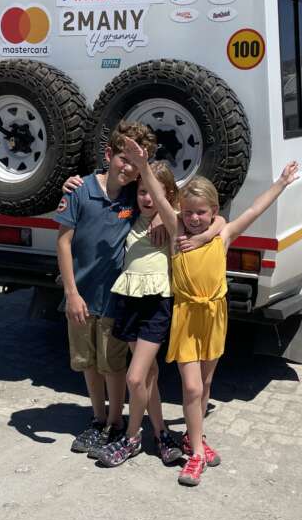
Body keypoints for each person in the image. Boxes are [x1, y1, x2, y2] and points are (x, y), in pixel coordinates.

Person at [123, 135, 299, 487]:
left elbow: (254, 210)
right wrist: (142, 165)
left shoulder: (223, 235)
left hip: (215, 316)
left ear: (214, 212)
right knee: (190, 388)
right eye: (188, 212)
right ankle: (197, 457)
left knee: (205, 385)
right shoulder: (176, 234)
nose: (194, 218)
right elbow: (160, 197)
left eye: (201, 213)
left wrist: (280, 183)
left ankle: (195, 437)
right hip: (187, 317)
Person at [93, 160, 222, 469]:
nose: (147, 198)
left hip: (157, 303)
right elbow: (107, 202)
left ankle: (133, 436)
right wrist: (70, 185)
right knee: (147, 375)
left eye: (153, 193)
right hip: (129, 299)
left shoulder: (174, 219)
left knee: (135, 376)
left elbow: (219, 220)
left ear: (168, 195)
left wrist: (202, 236)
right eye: (142, 192)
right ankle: (161, 432)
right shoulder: (130, 215)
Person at [54, 120, 158, 456]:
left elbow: (165, 197)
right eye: (123, 159)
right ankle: (98, 419)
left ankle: (115, 422)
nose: (128, 168)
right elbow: (63, 242)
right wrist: (71, 293)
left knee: (112, 365)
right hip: (81, 298)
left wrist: (158, 214)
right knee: (87, 362)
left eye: (135, 163)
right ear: (109, 154)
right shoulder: (79, 190)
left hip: (115, 300)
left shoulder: (135, 194)